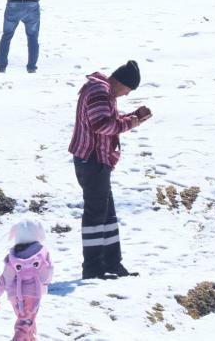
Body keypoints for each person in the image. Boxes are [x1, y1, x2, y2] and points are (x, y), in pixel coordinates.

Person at [68, 61, 151, 280]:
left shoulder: (101, 90)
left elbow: (108, 120)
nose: (125, 95)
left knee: (107, 214)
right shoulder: (100, 91)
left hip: (96, 161)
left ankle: (112, 263)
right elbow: (101, 125)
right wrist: (130, 124)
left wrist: (134, 117)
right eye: (128, 90)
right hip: (92, 160)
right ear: (121, 82)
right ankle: (94, 268)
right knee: (96, 215)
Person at [0, 219, 54, 341]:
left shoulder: (13, 257)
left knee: (27, 321)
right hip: (33, 294)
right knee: (24, 324)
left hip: (15, 295)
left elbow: (5, 279)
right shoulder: (41, 254)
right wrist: (44, 284)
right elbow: (48, 273)